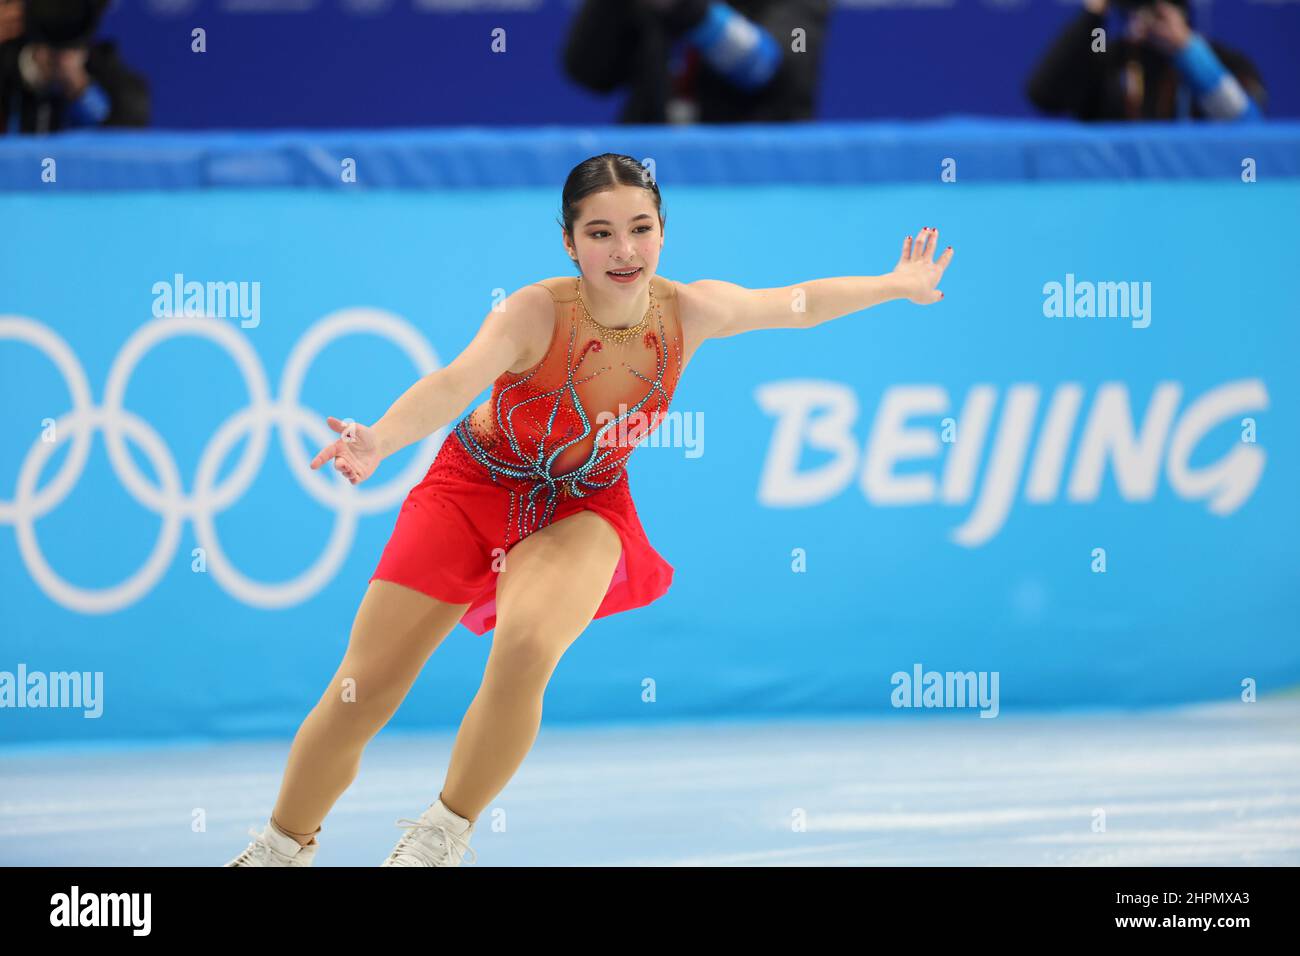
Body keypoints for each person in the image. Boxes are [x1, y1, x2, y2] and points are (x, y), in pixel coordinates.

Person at [224, 153, 954, 867]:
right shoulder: (534, 313)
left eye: (640, 228)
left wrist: (896, 283)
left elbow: (798, 304)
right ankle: (283, 847)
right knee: (364, 689)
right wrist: (378, 439)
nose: (624, 249)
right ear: (569, 241)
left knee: (526, 647)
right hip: (470, 489)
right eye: (600, 233)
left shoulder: (690, 311)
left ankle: (439, 838)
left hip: (582, 507)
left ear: (663, 231)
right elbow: (453, 384)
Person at [563, 0, 830, 124]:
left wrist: (686, 9)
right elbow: (587, 72)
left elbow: (768, 68)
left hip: (756, 174)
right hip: (650, 173)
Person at [1025, 0, 1265, 121]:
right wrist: (1094, 13)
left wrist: (1188, 51)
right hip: (1115, 204)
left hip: (1197, 202)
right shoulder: (1107, 60)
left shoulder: (1223, 61)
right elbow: (1044, 96)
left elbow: (1245, 121)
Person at [0, 0, 149, 134]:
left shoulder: (106, 70)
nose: (58, 11)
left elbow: (126, 140)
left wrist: (81, 89)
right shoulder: (7, 55)